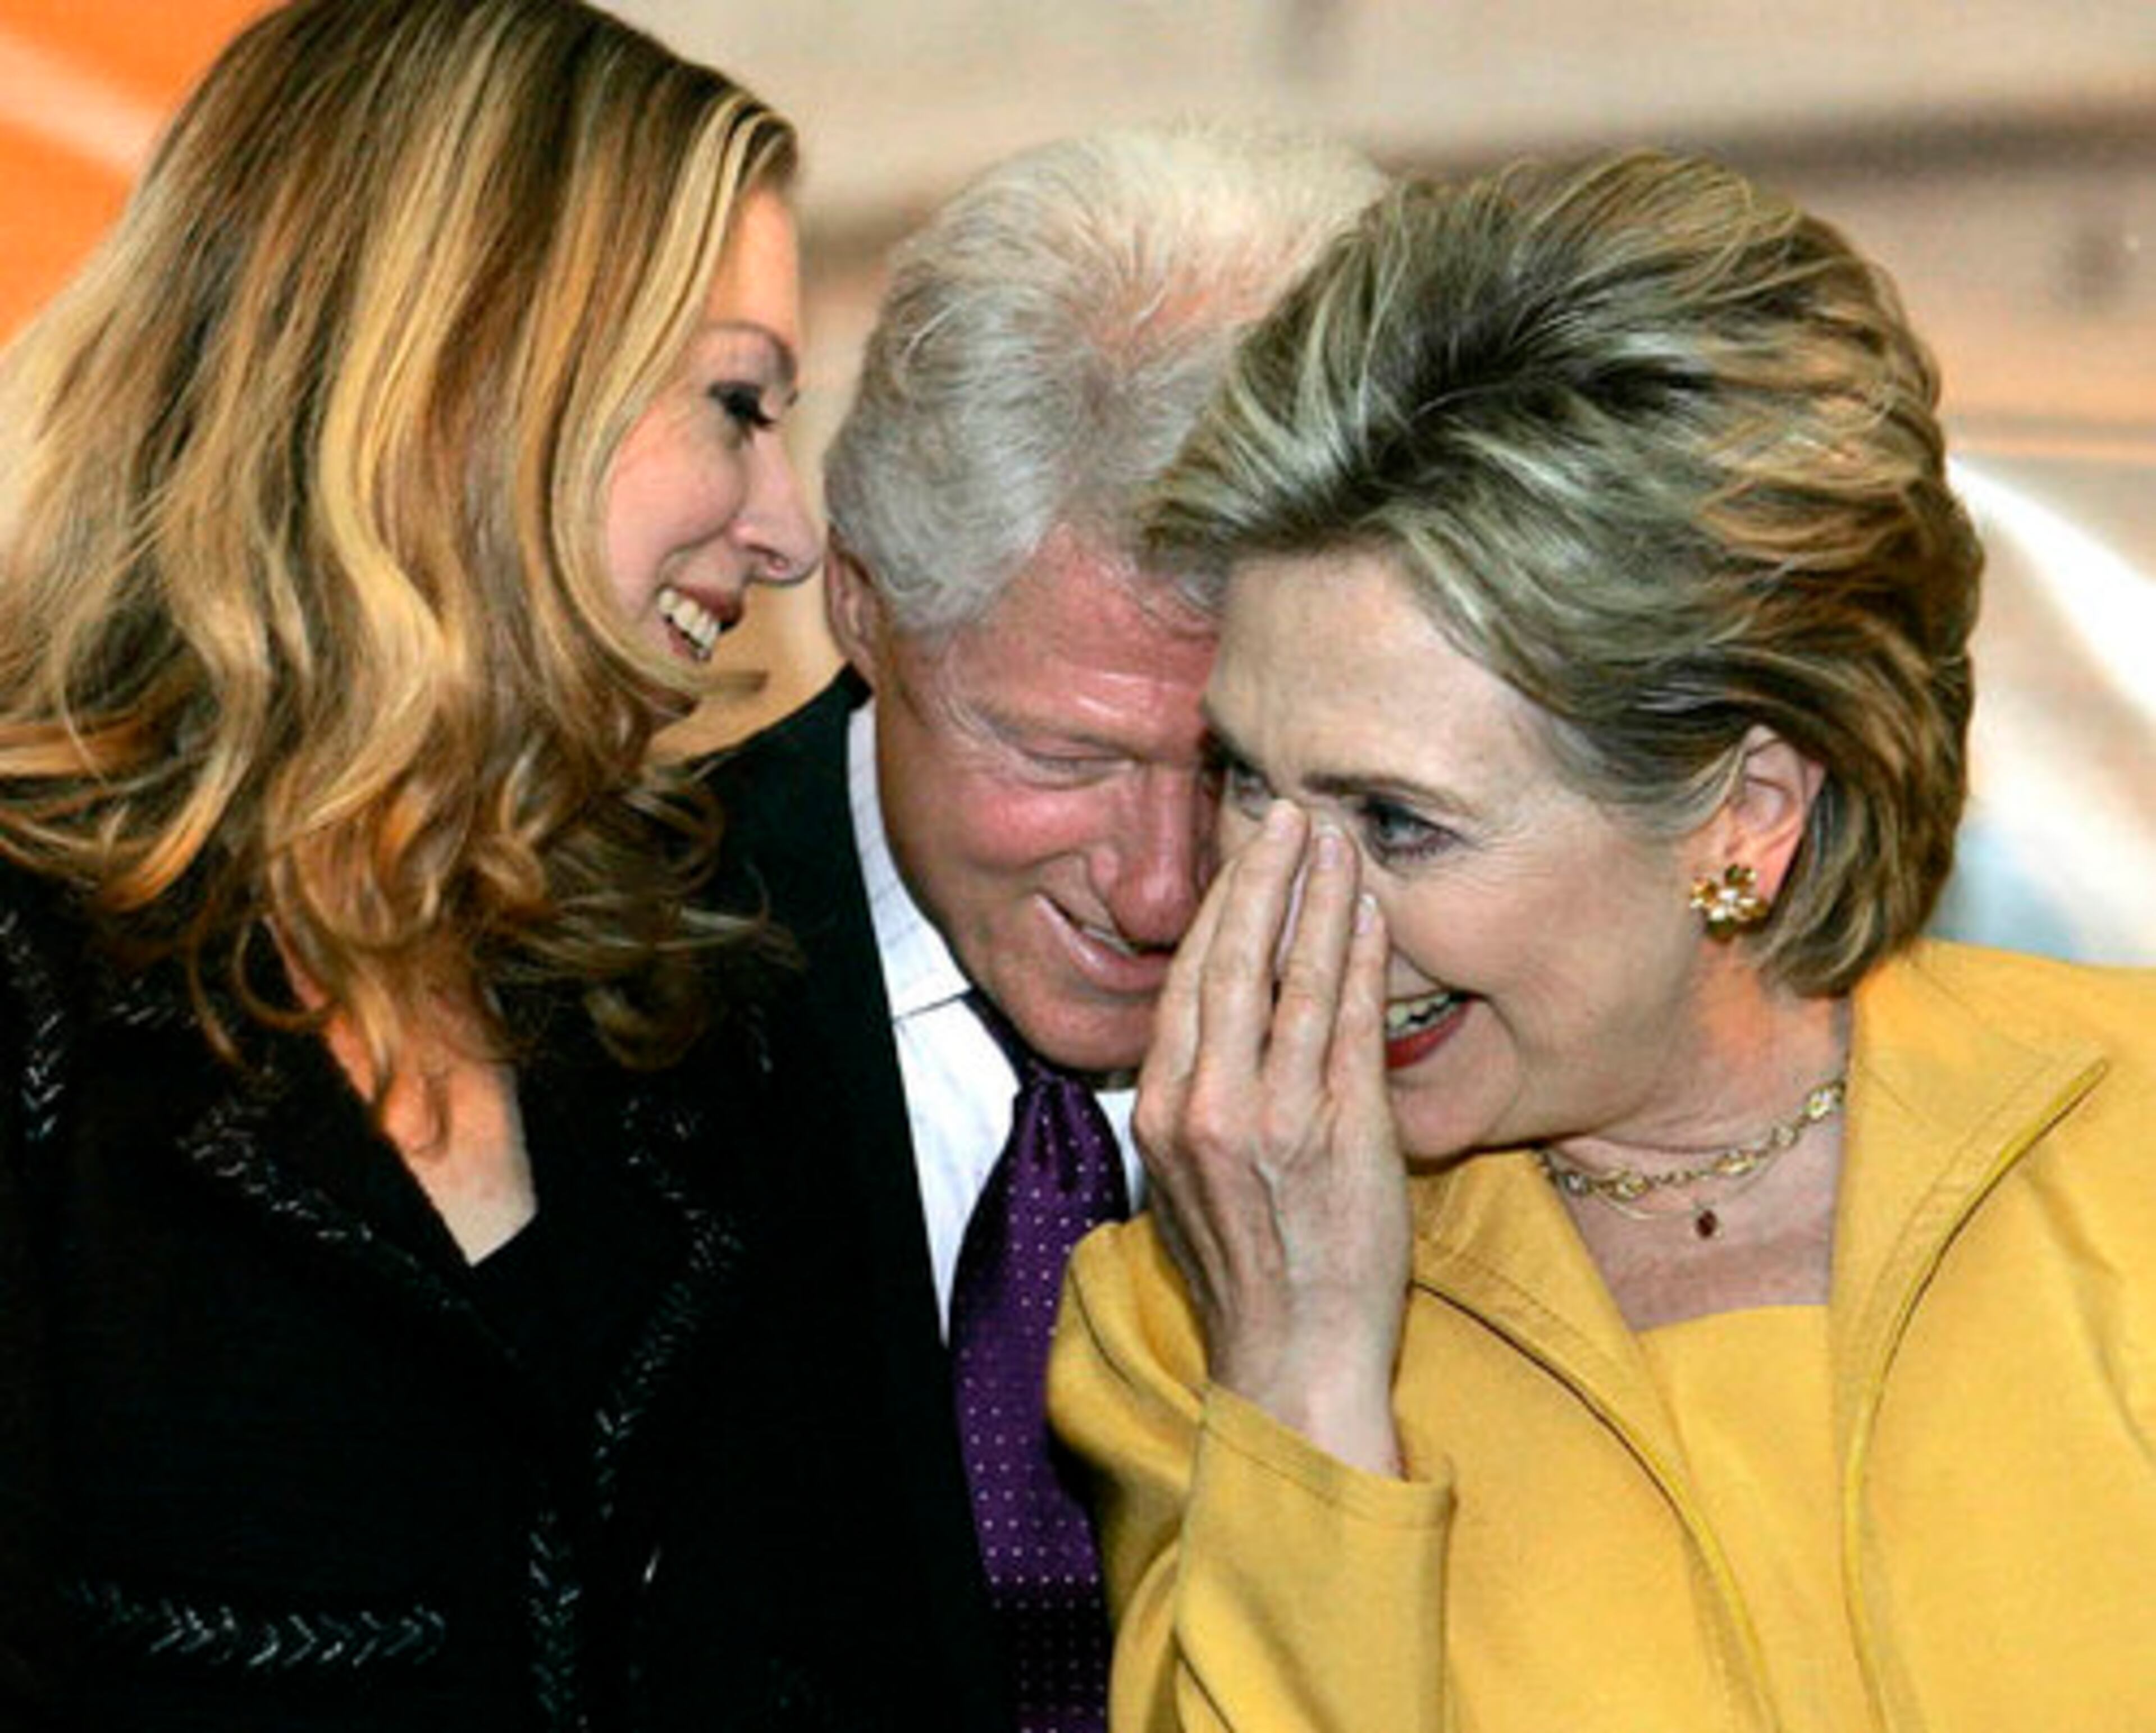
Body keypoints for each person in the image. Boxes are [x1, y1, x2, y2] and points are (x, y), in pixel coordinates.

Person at [1048, 151, 2156, 1731]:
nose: (1276, 915)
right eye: (1244, 779)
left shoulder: (2129, 1143)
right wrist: (1303, 1385)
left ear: (1744, 816)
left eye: (1398, 820)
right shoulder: (1185, 1316)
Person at [0, 1, 833, 1726]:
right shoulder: (33, 973)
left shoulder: (679, 992)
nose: (791, 527)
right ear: (468, 366)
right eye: (738, 402)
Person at [706, 125, 1382, 1733]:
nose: (1158, 887)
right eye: (1061, 757)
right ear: (861, 606)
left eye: (1233, 769)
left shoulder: (1479, 1015)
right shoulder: (582, 981)